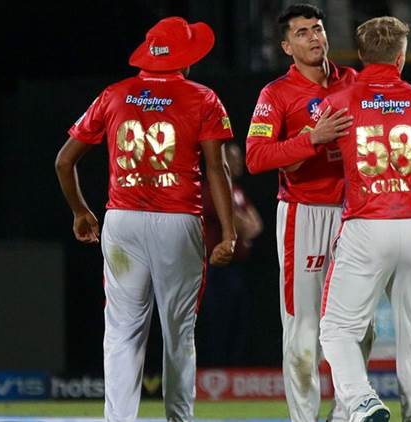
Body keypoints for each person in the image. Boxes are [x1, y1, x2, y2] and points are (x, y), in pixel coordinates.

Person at [55, 17, 236, 422]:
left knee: (122, 330)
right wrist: (228, 232)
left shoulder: (114, 94)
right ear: (185, 57)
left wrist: (80, 210)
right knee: (178, 331)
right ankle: (179, 418)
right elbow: (217, 168)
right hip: (178, 222)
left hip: (122, 221)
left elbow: (64, 161)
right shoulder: (203, 98)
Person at [244, 4, 366, 421]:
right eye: (302, 32)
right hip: (305, 215)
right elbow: (255, 157)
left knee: (360, 324)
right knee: (304, 327)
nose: (314, 37)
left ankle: (346, 412)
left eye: (317, 29)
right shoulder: (276, 94)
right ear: (286, 46)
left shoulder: (353, 82)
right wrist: (312, 139)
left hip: (355, 215)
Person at [318, 16, 411, 422]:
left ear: (361, 55)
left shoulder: (340, 101)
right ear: (400, 58)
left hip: (367, 220)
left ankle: (362, 400)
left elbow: (312, 155)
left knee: (337, 329)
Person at [197, 144, 263, 366]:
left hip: (237, 268)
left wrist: (246, 225)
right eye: (233, 159)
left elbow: (256, 225)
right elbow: (240, 224)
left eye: (239, 159)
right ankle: (214, 369)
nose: (238, 163)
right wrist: (244, 226)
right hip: (217, 268)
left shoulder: (238, 191)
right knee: (217, 321)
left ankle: (233, 368)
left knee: (238, 320)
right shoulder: (212, 189)